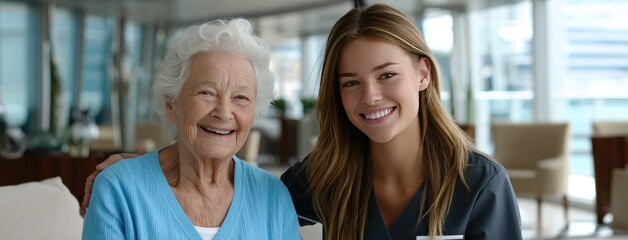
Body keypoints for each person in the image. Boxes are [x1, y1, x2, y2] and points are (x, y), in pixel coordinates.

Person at [82, 4, 522, 240]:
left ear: (423, 73)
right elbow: (218, 183)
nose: (370, 97)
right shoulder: (329, 175)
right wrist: (143, 169)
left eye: (387, 75)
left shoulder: (480, 186)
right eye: (350, 82)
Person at [81, 18, 301, 240]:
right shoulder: (119, 189)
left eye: (241, 97)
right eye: (206, 93)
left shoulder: (274, 197)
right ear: (171, 104)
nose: (224, 113)